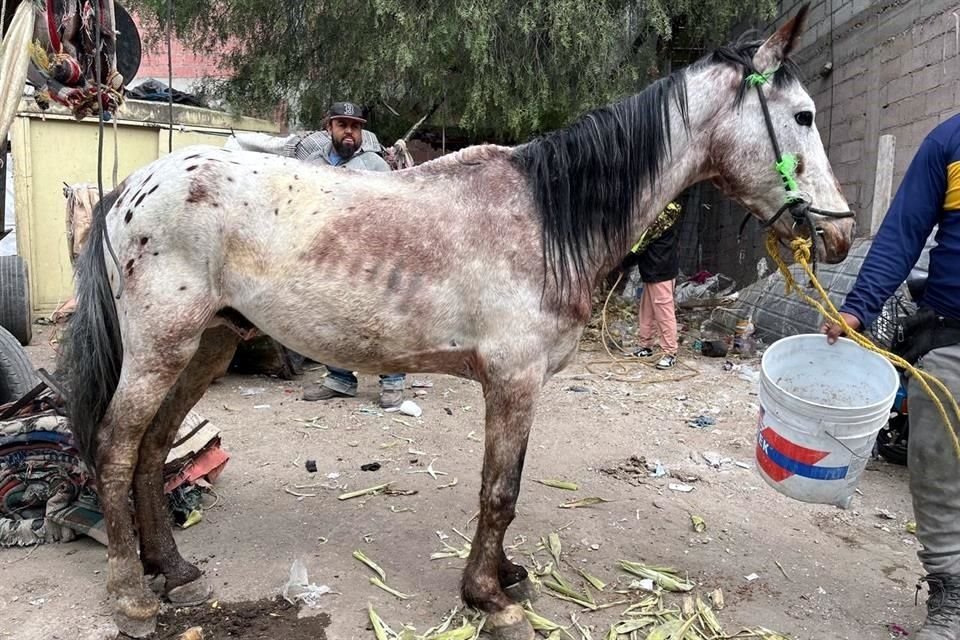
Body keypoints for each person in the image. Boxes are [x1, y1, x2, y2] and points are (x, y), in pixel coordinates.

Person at [823, 113, 960, 640]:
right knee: (937, 469)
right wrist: (857, 309)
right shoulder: (948, 142)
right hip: (951, 339)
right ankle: (952, 597)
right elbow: (903, 233)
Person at [298, 101, 406, 408]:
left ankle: (393, 380)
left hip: (372, 257)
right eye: (343, 125)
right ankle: (340, 379)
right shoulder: (313, 163)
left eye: (356, 127)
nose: (350, 132)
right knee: (332, 318)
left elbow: (394, 213)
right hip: (328, 258)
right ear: (329, 127)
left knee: (382, 319)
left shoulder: (375, 165)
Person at [622, 203, 682, 370]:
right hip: (652, 270)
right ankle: (645, 346)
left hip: (661, 271)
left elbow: (640, 245)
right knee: (647, 311)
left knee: (664, 312)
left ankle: (669, 352)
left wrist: (623, 263)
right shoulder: (662, 211)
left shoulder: (659, 217)